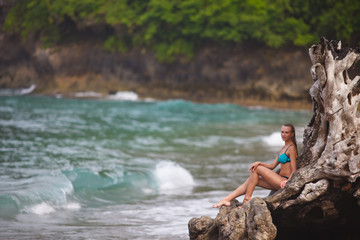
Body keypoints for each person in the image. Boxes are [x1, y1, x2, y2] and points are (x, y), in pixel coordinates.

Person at [213, 123, 298, 208]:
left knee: (257, 169)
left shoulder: (291, 148)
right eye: (282, 132)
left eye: (286, 132)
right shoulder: (284, 147)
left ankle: (246, 199)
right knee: (252, 180)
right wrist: (259, 162)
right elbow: (272, 166)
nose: (283, 134)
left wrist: (287, 181)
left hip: (284, 182)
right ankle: (226, 199)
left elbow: (294, 170)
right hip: (277, 181)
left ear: (292, 134)